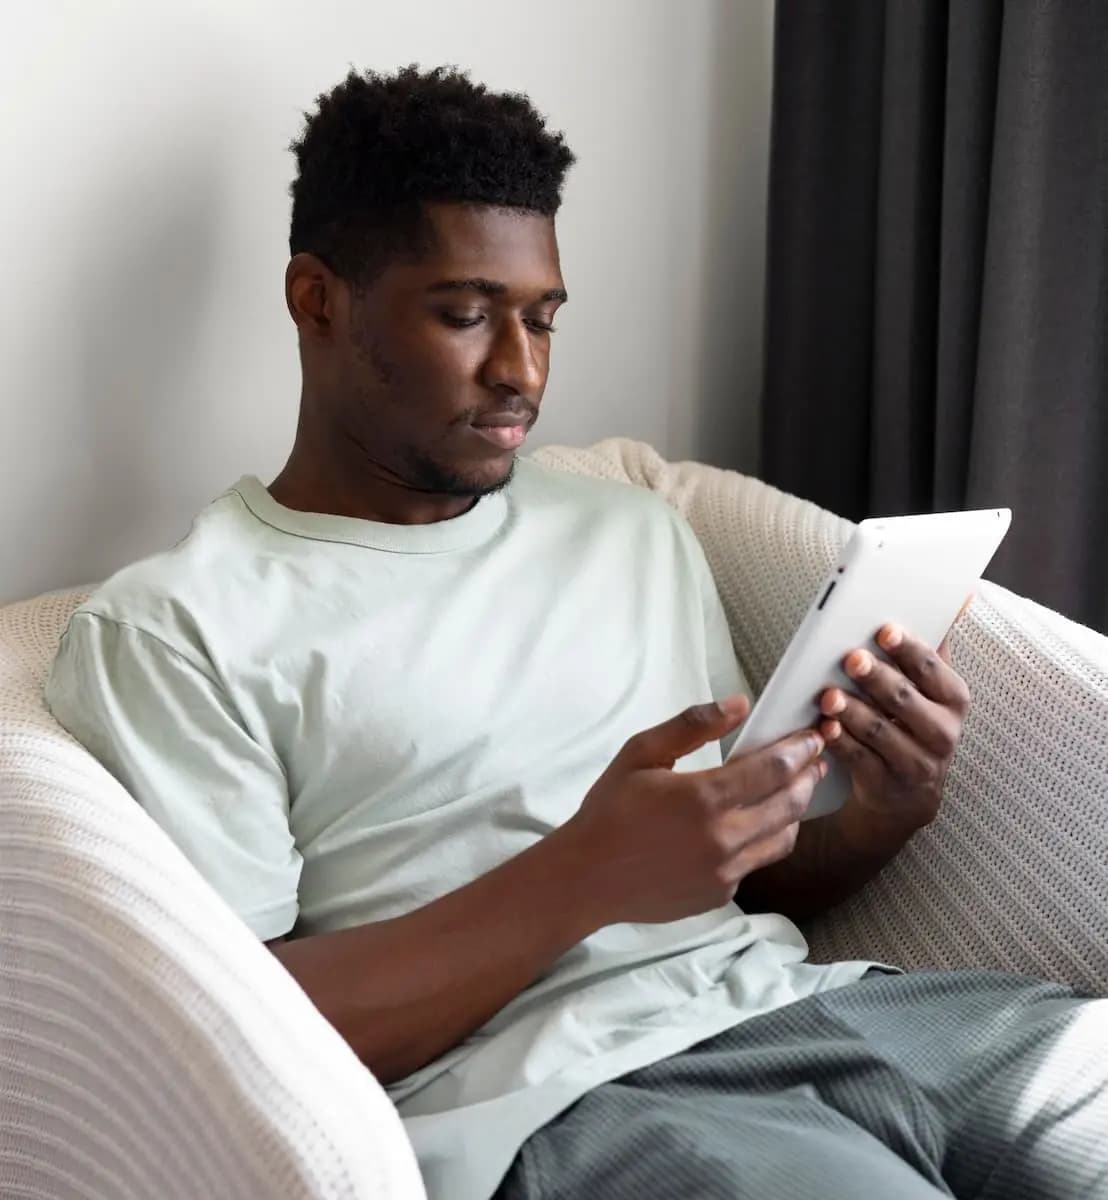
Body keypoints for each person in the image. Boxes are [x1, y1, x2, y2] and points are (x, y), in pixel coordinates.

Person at [46, 66, 1105, 1200]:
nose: (522, 371)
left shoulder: (630, 525)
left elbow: (728, 887)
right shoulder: (179, 626)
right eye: (464, 315)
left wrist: (889, 813)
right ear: (318, 300)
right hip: (565, 1105)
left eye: (542, 318)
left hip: (813, 1010)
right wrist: (581, 877)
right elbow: (243, 1047)